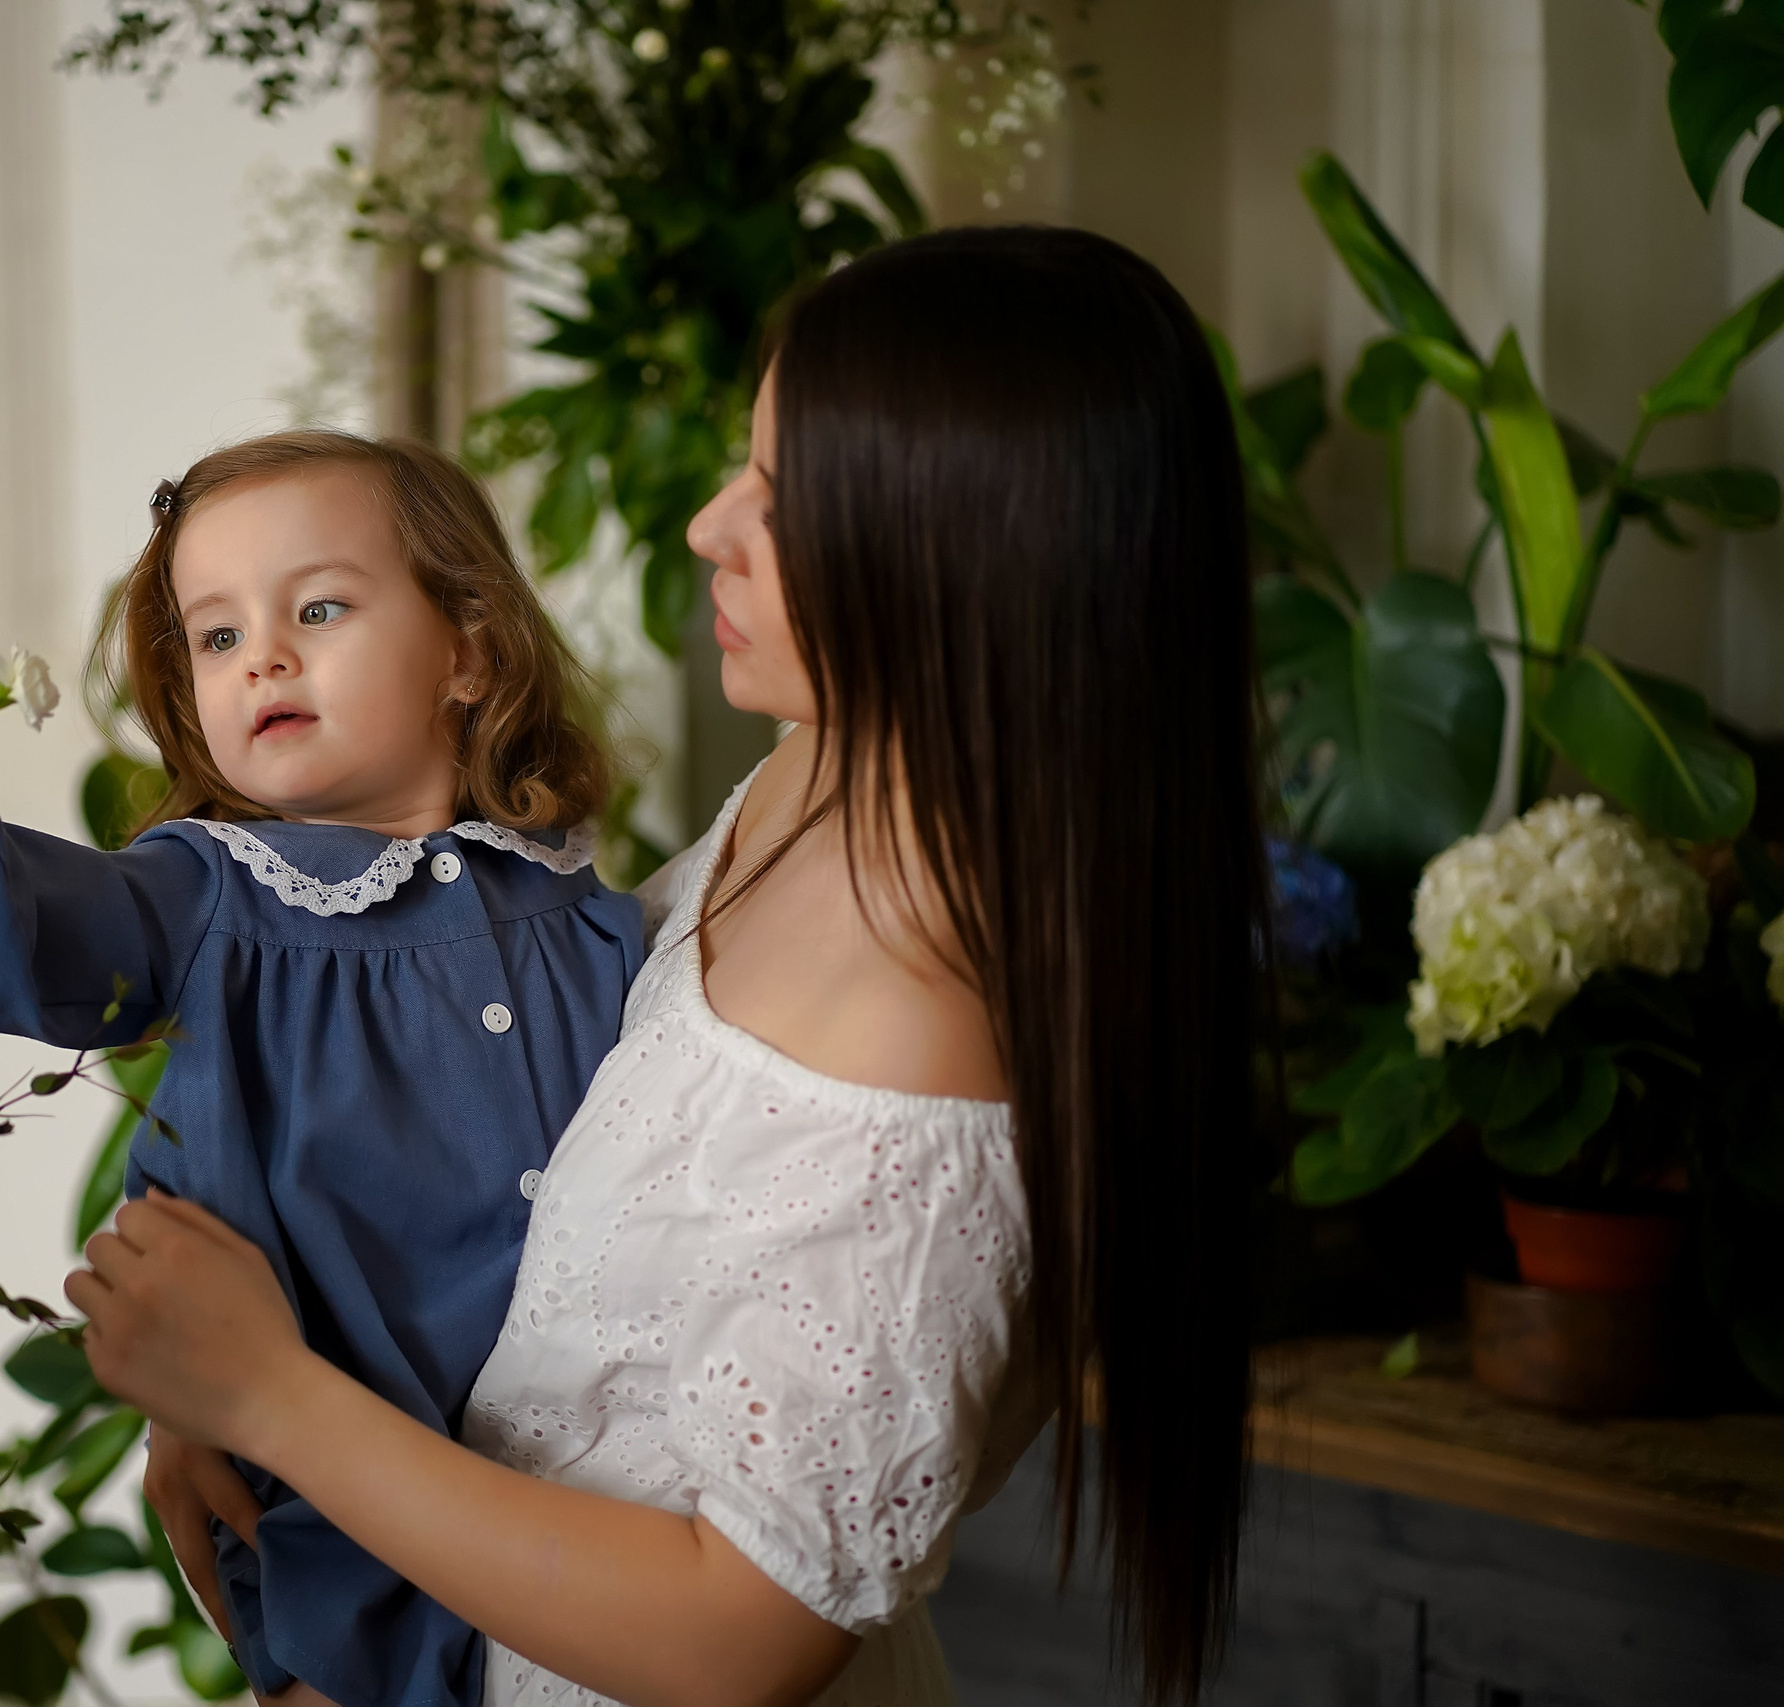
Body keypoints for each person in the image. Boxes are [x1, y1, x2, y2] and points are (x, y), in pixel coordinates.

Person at [72, 226, 1266, 1707]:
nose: (711, 525)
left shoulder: (926, 1031)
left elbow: (738, 1635)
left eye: (782, 499)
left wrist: (275, 1393)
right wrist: (252, 1382)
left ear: (969, 550)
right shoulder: (812, 777)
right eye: (741, 469)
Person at [0, 432, 646, 1707]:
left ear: (468, 647)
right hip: (331, 1546)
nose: (265, 656)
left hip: (609, 1516)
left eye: (318, 607)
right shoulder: (203, 900)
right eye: (215, 636)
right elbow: (19, 917)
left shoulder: (594, 912)